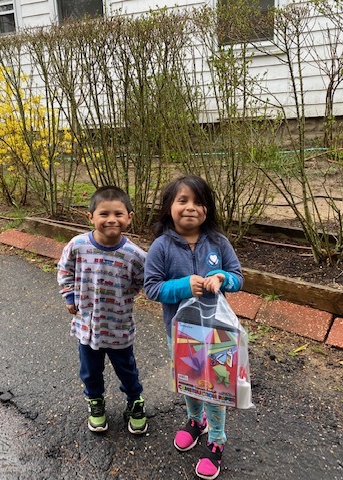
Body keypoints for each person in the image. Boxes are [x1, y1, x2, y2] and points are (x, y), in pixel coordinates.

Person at [144, 175, 243, 480]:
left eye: (198, 201)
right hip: (181, 333)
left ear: (208, 208)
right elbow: (152, 288)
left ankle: (216, 440)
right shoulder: (161, 247)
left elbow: (238, 277)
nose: (190, 208)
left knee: (215, 388)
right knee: (189, 383)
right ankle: (195, 420)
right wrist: (185, 286)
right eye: (182, 200)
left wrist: (222, 278)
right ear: (168, 207)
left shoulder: (218, 242)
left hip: (217, 332)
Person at [57, 186, 148, 435]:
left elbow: (150, 283)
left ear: (130, 216)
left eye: (118, 214)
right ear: (91, 217)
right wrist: (69, 296)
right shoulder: (77, 245)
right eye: (104, 213)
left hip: (119, 328)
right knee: (90, 370)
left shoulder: (136, 256)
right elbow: (65, 270)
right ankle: (95, 402)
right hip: (87, 326)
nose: (111, 219)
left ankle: (135, 402)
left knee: (127, 369)